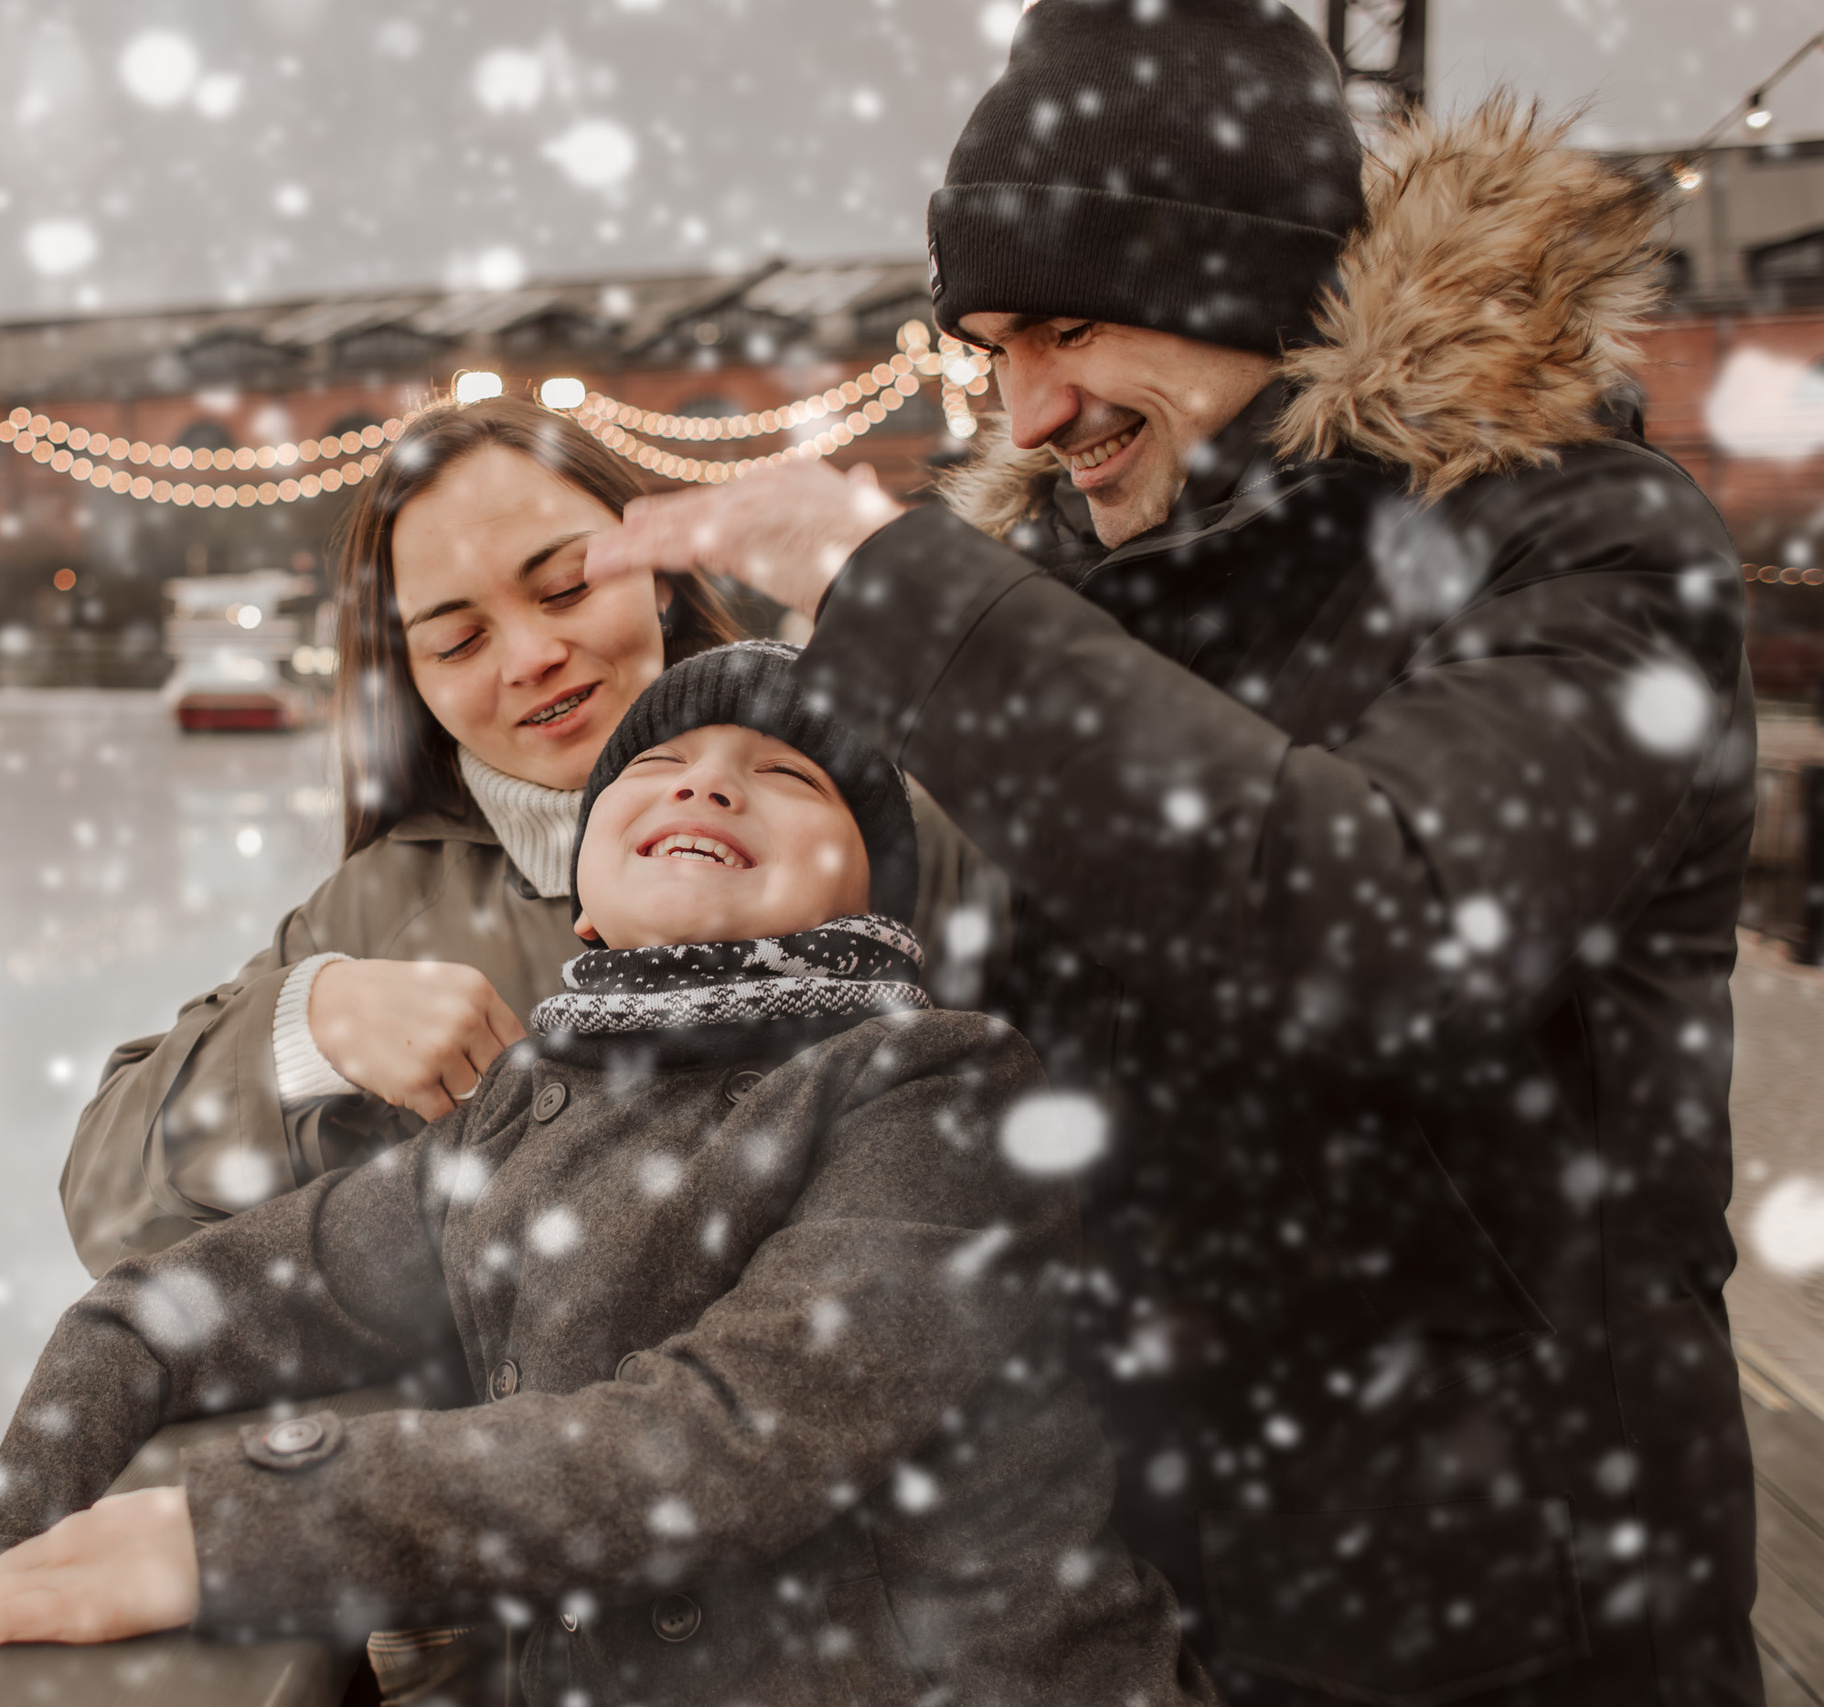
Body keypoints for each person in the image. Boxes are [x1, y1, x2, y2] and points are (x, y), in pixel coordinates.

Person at [583, 9, 1760, 1706]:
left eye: (1071, 326)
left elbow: (1379, 919)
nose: (1030, 404)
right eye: (992, 344)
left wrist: (887, 583)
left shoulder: (1585, 546)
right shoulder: (1062, 598)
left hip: (1508, 1609)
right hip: (1120, 1597)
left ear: (1252, 288)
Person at [0, 642, 1212, 1707]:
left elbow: (727, 1440)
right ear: (583, 897)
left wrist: (241, 1528)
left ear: (872, 892)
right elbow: (165, 1310)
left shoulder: (938, 1085)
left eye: (785, 774)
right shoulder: (513, 1121)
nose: (706, 784)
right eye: (660, 762)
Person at [59, 398, 1004, 1275]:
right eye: (458, 643)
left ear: (662, 580)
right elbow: (110, 1208)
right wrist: (308, 1028)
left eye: (563, 586)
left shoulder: (900, 818)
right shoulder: (383, 910)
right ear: (414, 681)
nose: (530, 657)